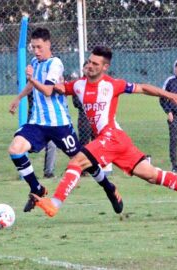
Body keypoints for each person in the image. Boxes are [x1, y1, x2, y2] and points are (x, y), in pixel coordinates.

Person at [32, 46, 177, 217]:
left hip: (111, 137)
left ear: (105, 67)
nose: (90, 66)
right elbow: (60, 89)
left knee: (77, 162)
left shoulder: (113, 85)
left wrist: (172, 95)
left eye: (95, 64)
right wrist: (46, 82)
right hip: (117, 140)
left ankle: (55, 203)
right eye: (89, 62)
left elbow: (143, 88)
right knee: (151, 175)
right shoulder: (79, 85)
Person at [8, 29, 123, 214]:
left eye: (39, 47)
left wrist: (31, 78)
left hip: (59, 125)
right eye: (33, 47)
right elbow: (32, 84)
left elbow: (47, 90)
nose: (36, 51)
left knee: (85, 161)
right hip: (37, 123)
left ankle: (109, 188)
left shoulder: (56, 64)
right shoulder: (34, 62)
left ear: (48, 44)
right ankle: (37, 188)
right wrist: (19, 98)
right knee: (15, 150)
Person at [27, 90, 57, 178]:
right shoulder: (32, 84)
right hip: (34, 121)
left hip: (48, 121)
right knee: (26, 147)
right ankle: (28, 173)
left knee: (52, 145)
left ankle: (48, 172)